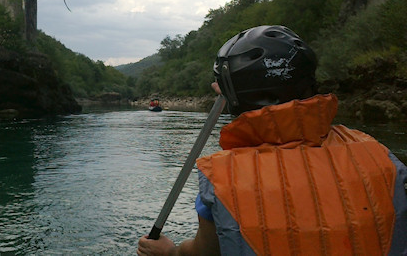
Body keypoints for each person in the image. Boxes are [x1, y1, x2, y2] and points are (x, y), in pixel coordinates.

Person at [138, 25, 407, 255]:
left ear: (236, 98)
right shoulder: (380, 154)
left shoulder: (221, 177)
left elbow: (205, 251)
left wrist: (171, 252)